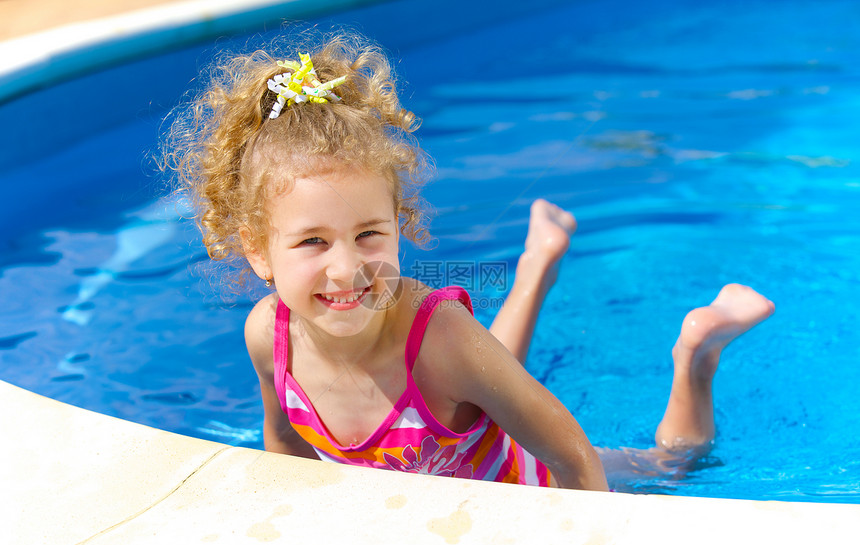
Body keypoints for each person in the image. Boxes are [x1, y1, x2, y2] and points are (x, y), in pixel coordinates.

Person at [163, 32, 774, 491]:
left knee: (669, 466)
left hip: (527, 486)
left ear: (400, 223)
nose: (348, 269)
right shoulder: (269, 339)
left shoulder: (440, 341)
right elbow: (285, 451)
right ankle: (538, 261)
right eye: (312, 242)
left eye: (369, 234)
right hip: (451, 427)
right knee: (483, 373)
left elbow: (573, 454)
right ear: (255, 247)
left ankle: (695, 354)